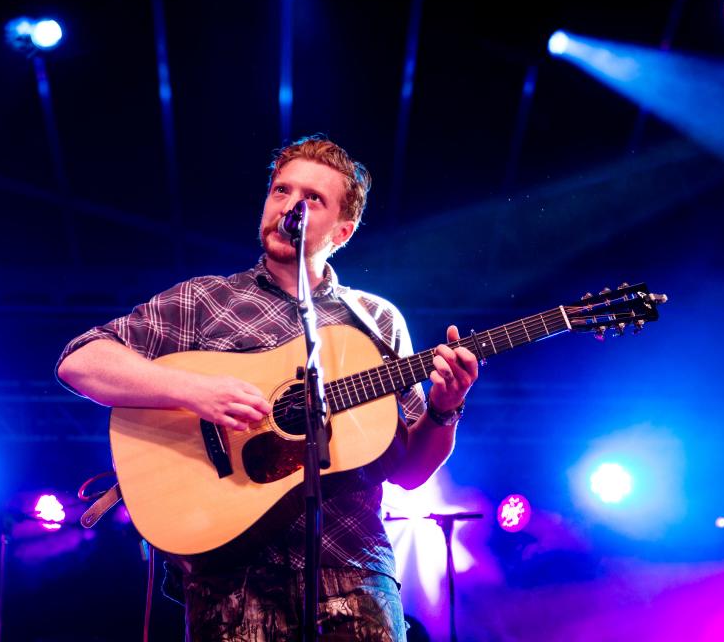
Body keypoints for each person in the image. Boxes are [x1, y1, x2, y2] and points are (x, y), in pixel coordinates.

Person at [56, 136, 478, 641]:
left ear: (343, 230)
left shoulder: (376, 320)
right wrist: (194, 391)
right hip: (229, 579)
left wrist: (443, 410)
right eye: (281, 191)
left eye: (312, 198)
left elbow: (409, 473)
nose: (290, 206)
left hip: (353, 568)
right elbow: (80, 361)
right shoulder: (204, 300)